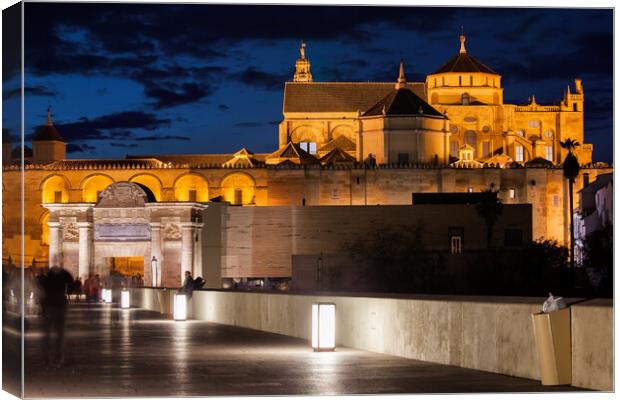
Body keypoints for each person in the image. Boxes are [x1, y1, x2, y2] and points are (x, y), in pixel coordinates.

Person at [38, 265, 73, 368]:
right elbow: (71, 284)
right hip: (60, 306)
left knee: (47, 334)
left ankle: (47, 359)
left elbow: (41, 294)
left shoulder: (45, 278)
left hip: (49, 307)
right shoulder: (64, 275)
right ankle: (57, 359)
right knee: (59, 334)